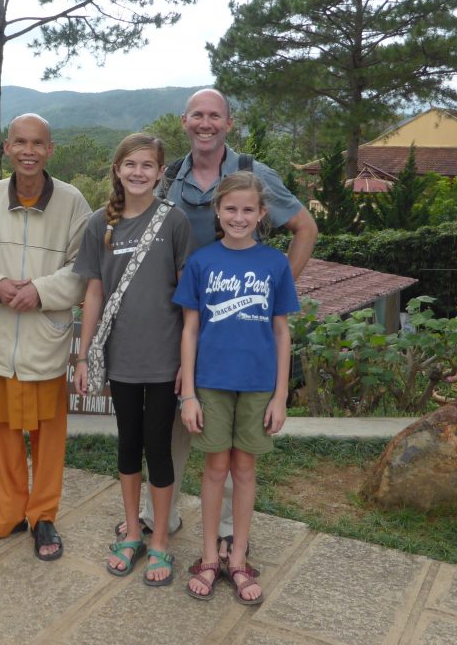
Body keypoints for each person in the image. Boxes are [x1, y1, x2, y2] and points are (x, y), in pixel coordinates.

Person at [129, 88, 318, 565]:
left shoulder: (253, 175)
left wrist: (273, 292)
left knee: (236, 447)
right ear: (184, 121)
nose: (205, 123)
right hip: (178, 321)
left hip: (236, 328)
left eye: (215, 115)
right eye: (197, 115)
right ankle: (160, 516)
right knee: (172, 419)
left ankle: (232, 532)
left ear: (229, 123)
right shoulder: (168, 178)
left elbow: (306, 228)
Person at [0, 113, 91, 561]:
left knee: (48, 435)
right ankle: (6, 514)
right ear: (8, 147)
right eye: (20, 142)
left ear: (50, 149)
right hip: (0, 340)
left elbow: (82, 270)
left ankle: (43, 516)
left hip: (44, 340)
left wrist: (39, 291)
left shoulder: (73, 202)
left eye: (38, 143)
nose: (29, 151)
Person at [73, 133, 195, 586]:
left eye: (147, 165)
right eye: (131, 164)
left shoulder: (174, 221)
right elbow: (93, 293)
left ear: (161, 172)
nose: (138, 172)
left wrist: (188, 363)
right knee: (127, 444)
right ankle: (131, 531)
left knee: (158, 448)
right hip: (119, 356)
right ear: (117, 170)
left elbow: (188, 299)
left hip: (164, 357)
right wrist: (84, 356)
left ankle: (159, 538)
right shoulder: (98, 224)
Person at [174, 171, 299, 603]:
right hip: (210, 383)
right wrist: (188, 393)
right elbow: (190, 330)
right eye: (231, 208)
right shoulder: (202, 262)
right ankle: (210, 556)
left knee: (245, 470)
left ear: (262, 213)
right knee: (214, 469)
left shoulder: (275, 263)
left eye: (248, 210)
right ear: (217, 210)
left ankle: (239, 557)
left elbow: (281, 331)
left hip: (258, 386)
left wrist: (280, 395)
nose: (239, 217)